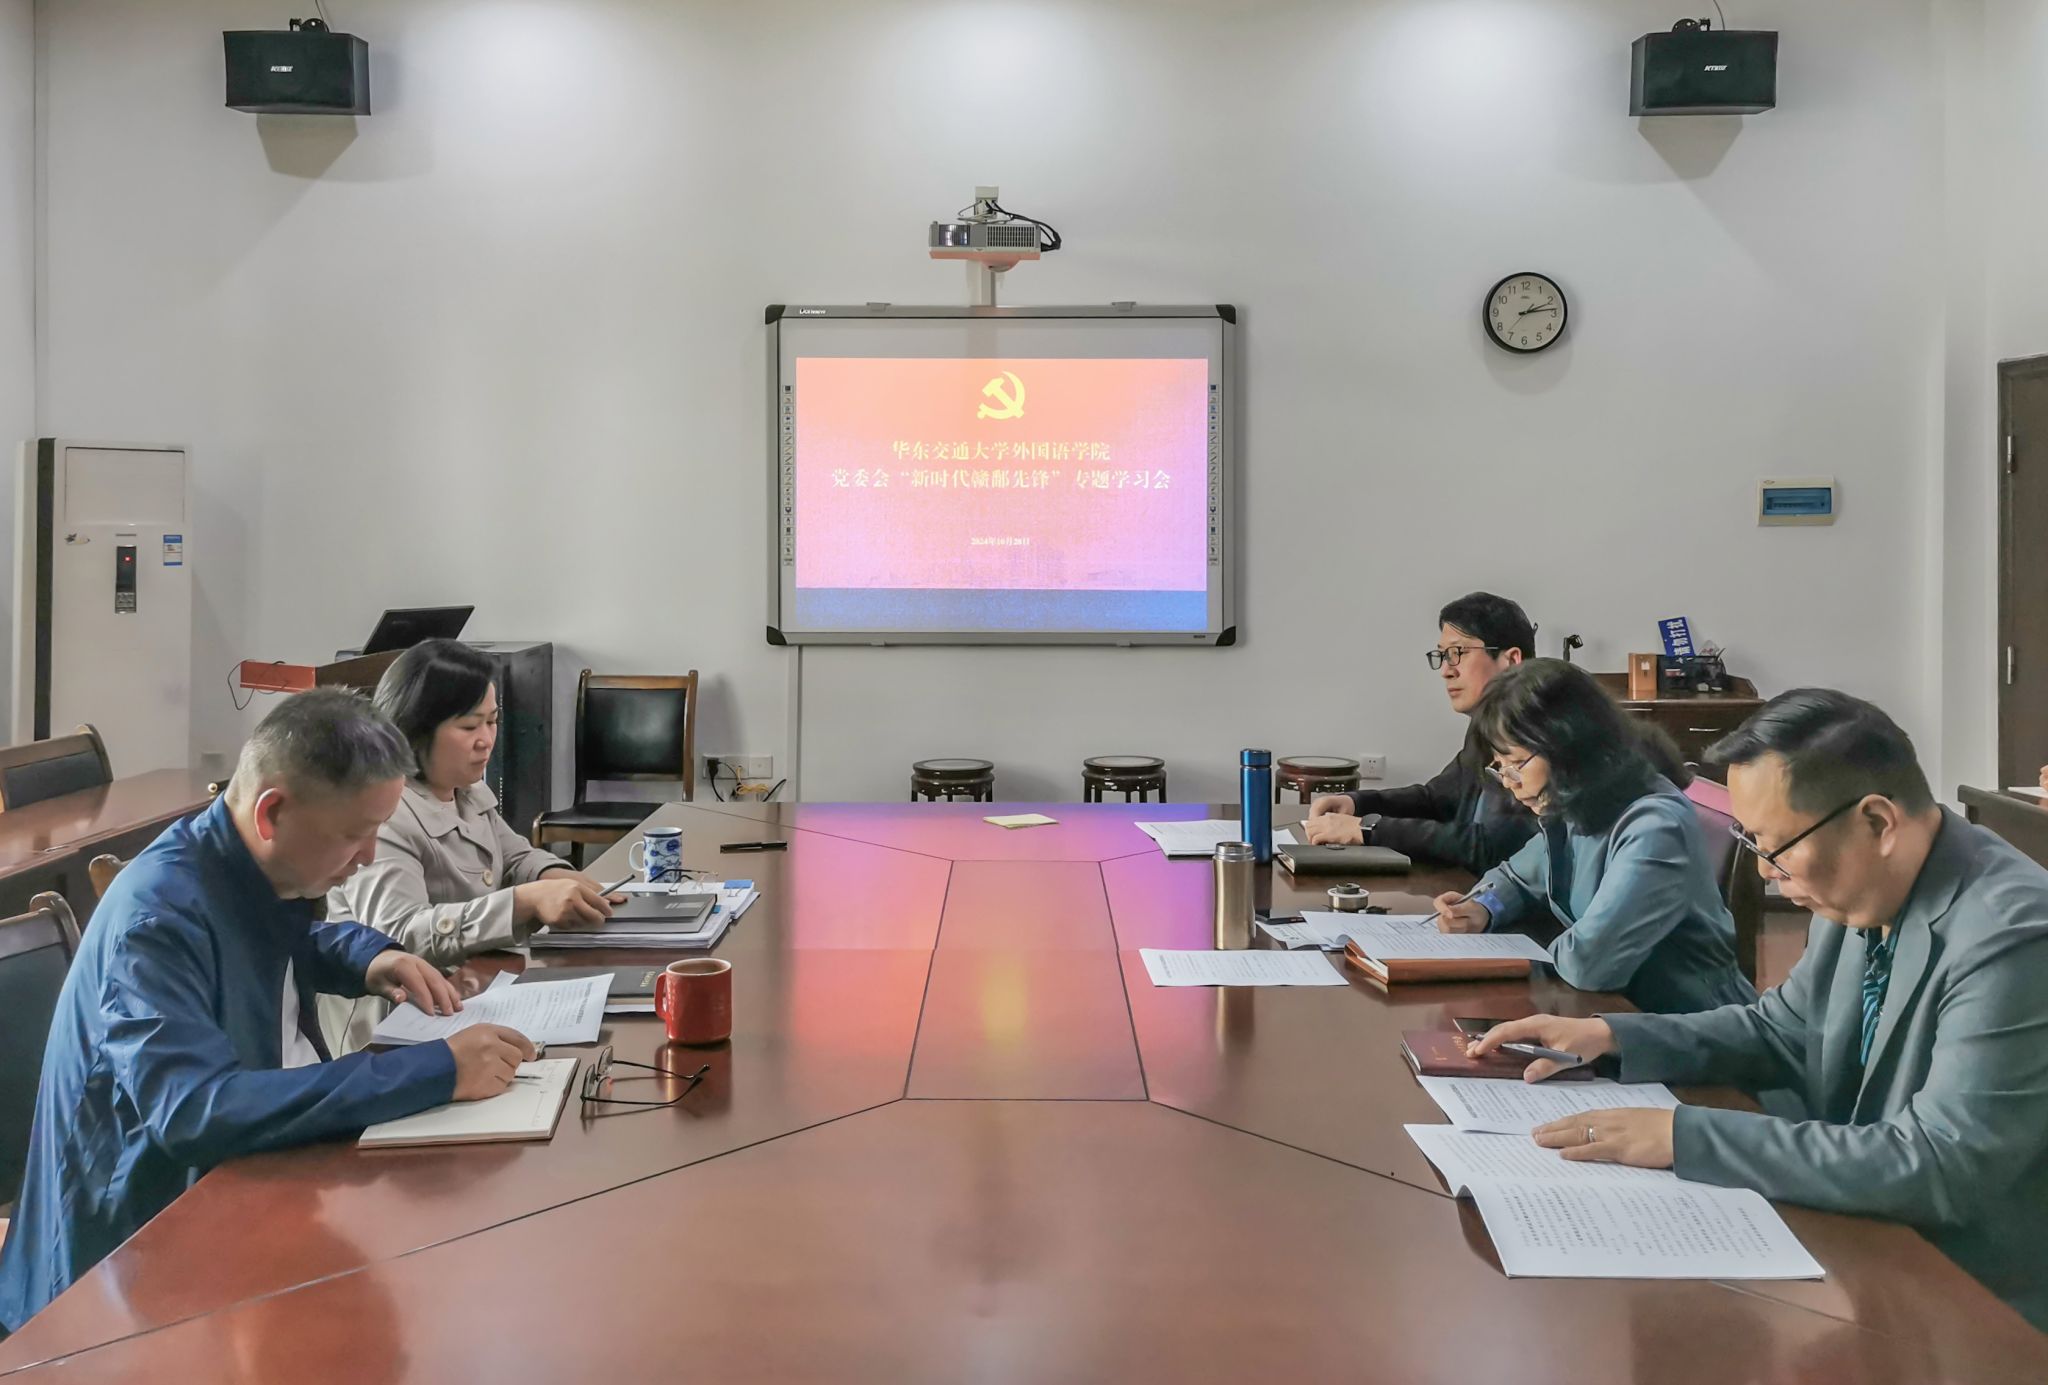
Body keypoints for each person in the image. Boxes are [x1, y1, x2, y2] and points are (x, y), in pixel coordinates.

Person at [1470, 690, 2048, 1332]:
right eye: (1752, 842)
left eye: (1776, 847)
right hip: (1864, 1232)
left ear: (1878, 823)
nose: (1767, 873)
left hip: (1979, 1297)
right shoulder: (1862, 885)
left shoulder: (2013, 937)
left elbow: (1940, 1165)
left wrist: (1682, 1136)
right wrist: (1611, 1036)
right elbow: (1783, 1029)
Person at [0, 689, 535, 1333]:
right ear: (272, 812)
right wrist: (437, 1070)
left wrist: (371, 958)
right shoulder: (156, 919)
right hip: (118, 1270)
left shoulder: (247, 862)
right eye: (355, 834)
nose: (369, 856)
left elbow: (280, 940)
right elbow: (197, 1110)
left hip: (233, 1189)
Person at [323, 641, 618, 1040]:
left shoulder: (465, 787)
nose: (486, 740)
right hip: (400, 1025)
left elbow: (515, 857)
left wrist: (551, 875)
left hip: (473, 990)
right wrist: (524, 901)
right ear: (415, 729)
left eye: (492, 721)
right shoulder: (385, 810)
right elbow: (398, 935)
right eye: (468, 726)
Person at [1430, 659, 1755, 1015]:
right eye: (1500, 766)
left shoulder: (1654, 827)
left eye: (1517, 763)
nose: (1508, 782)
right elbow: (1516, 876)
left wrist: (1531, 948)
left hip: (1690, 1026)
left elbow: (1590, 963)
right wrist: (1481, 907)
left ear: (1569, 744)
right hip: (1615, 1013)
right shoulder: (1579, 801)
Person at [1303, 592, 1540, 874]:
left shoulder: (1538, 732)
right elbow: (1436, 799)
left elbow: (1489, 847)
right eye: (1443, 656)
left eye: (1458, 653)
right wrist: (1356, 802)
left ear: (1511, 660)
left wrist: (1368, 830)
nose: (1446, 671)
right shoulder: (1487, 725)